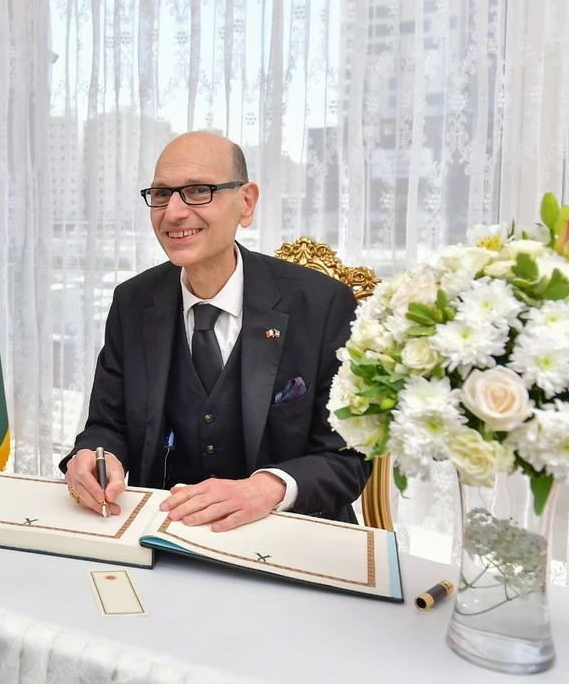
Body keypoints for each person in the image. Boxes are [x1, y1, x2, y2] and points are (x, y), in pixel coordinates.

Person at [60, 131, 369, 531]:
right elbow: (107, 426)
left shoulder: (323, 305)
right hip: (166, 531)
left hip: (288, 534)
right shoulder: (132, 302)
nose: (173, 212)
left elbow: (348, 459)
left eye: (198, 191)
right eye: (161, 194)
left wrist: (268, 488)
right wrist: (94, 456)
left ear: (246, 202)